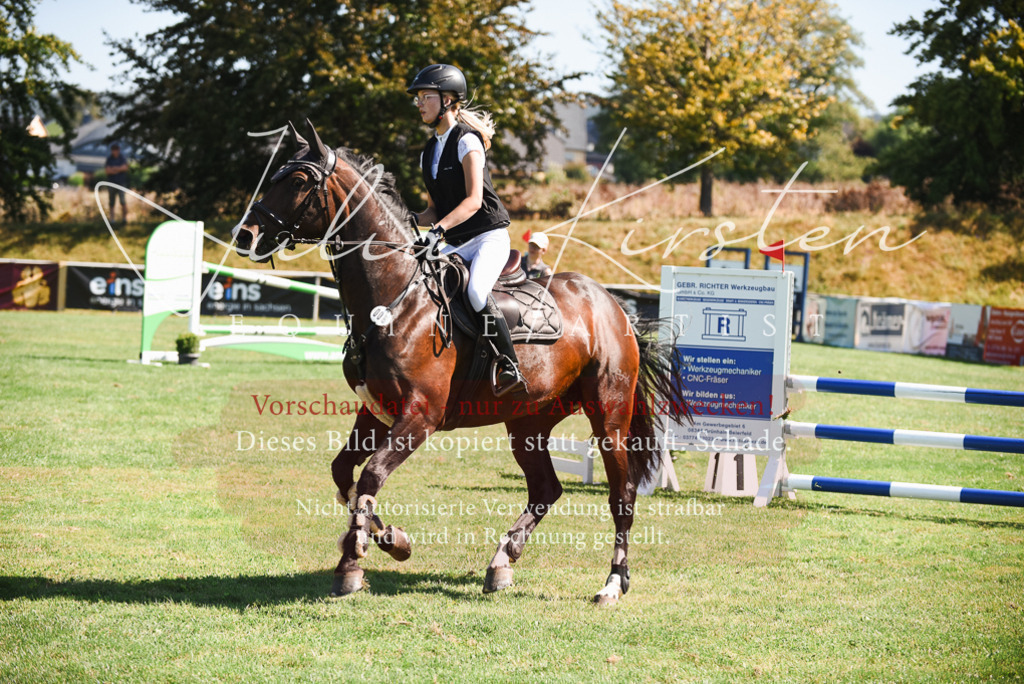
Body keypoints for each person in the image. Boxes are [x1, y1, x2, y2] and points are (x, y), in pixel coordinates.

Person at [407, 64, 526, 397]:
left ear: (447, 100)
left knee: (475, 293)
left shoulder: (467, 141)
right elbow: (435, 210)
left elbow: (473, 201)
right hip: (458, 241)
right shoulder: (428, 151)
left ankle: (508, 364)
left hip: (489, 237)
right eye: (418, 98)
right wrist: (409, 219)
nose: (420, 104)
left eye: (425, 97)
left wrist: (438, 229)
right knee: (419, 279)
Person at [104, 143, 130, 224]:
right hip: (111, 183)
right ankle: (112, 220)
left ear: (118, 150)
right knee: (111, 202)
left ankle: (124, 219)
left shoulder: (122, 158)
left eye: (116, 150)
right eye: (113, 150)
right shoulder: (109, 159)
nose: (115, 151)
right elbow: (107, 170)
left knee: (123, 201)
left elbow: (125, 168)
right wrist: (119, 169)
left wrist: (114, 169)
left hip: (121, 183)